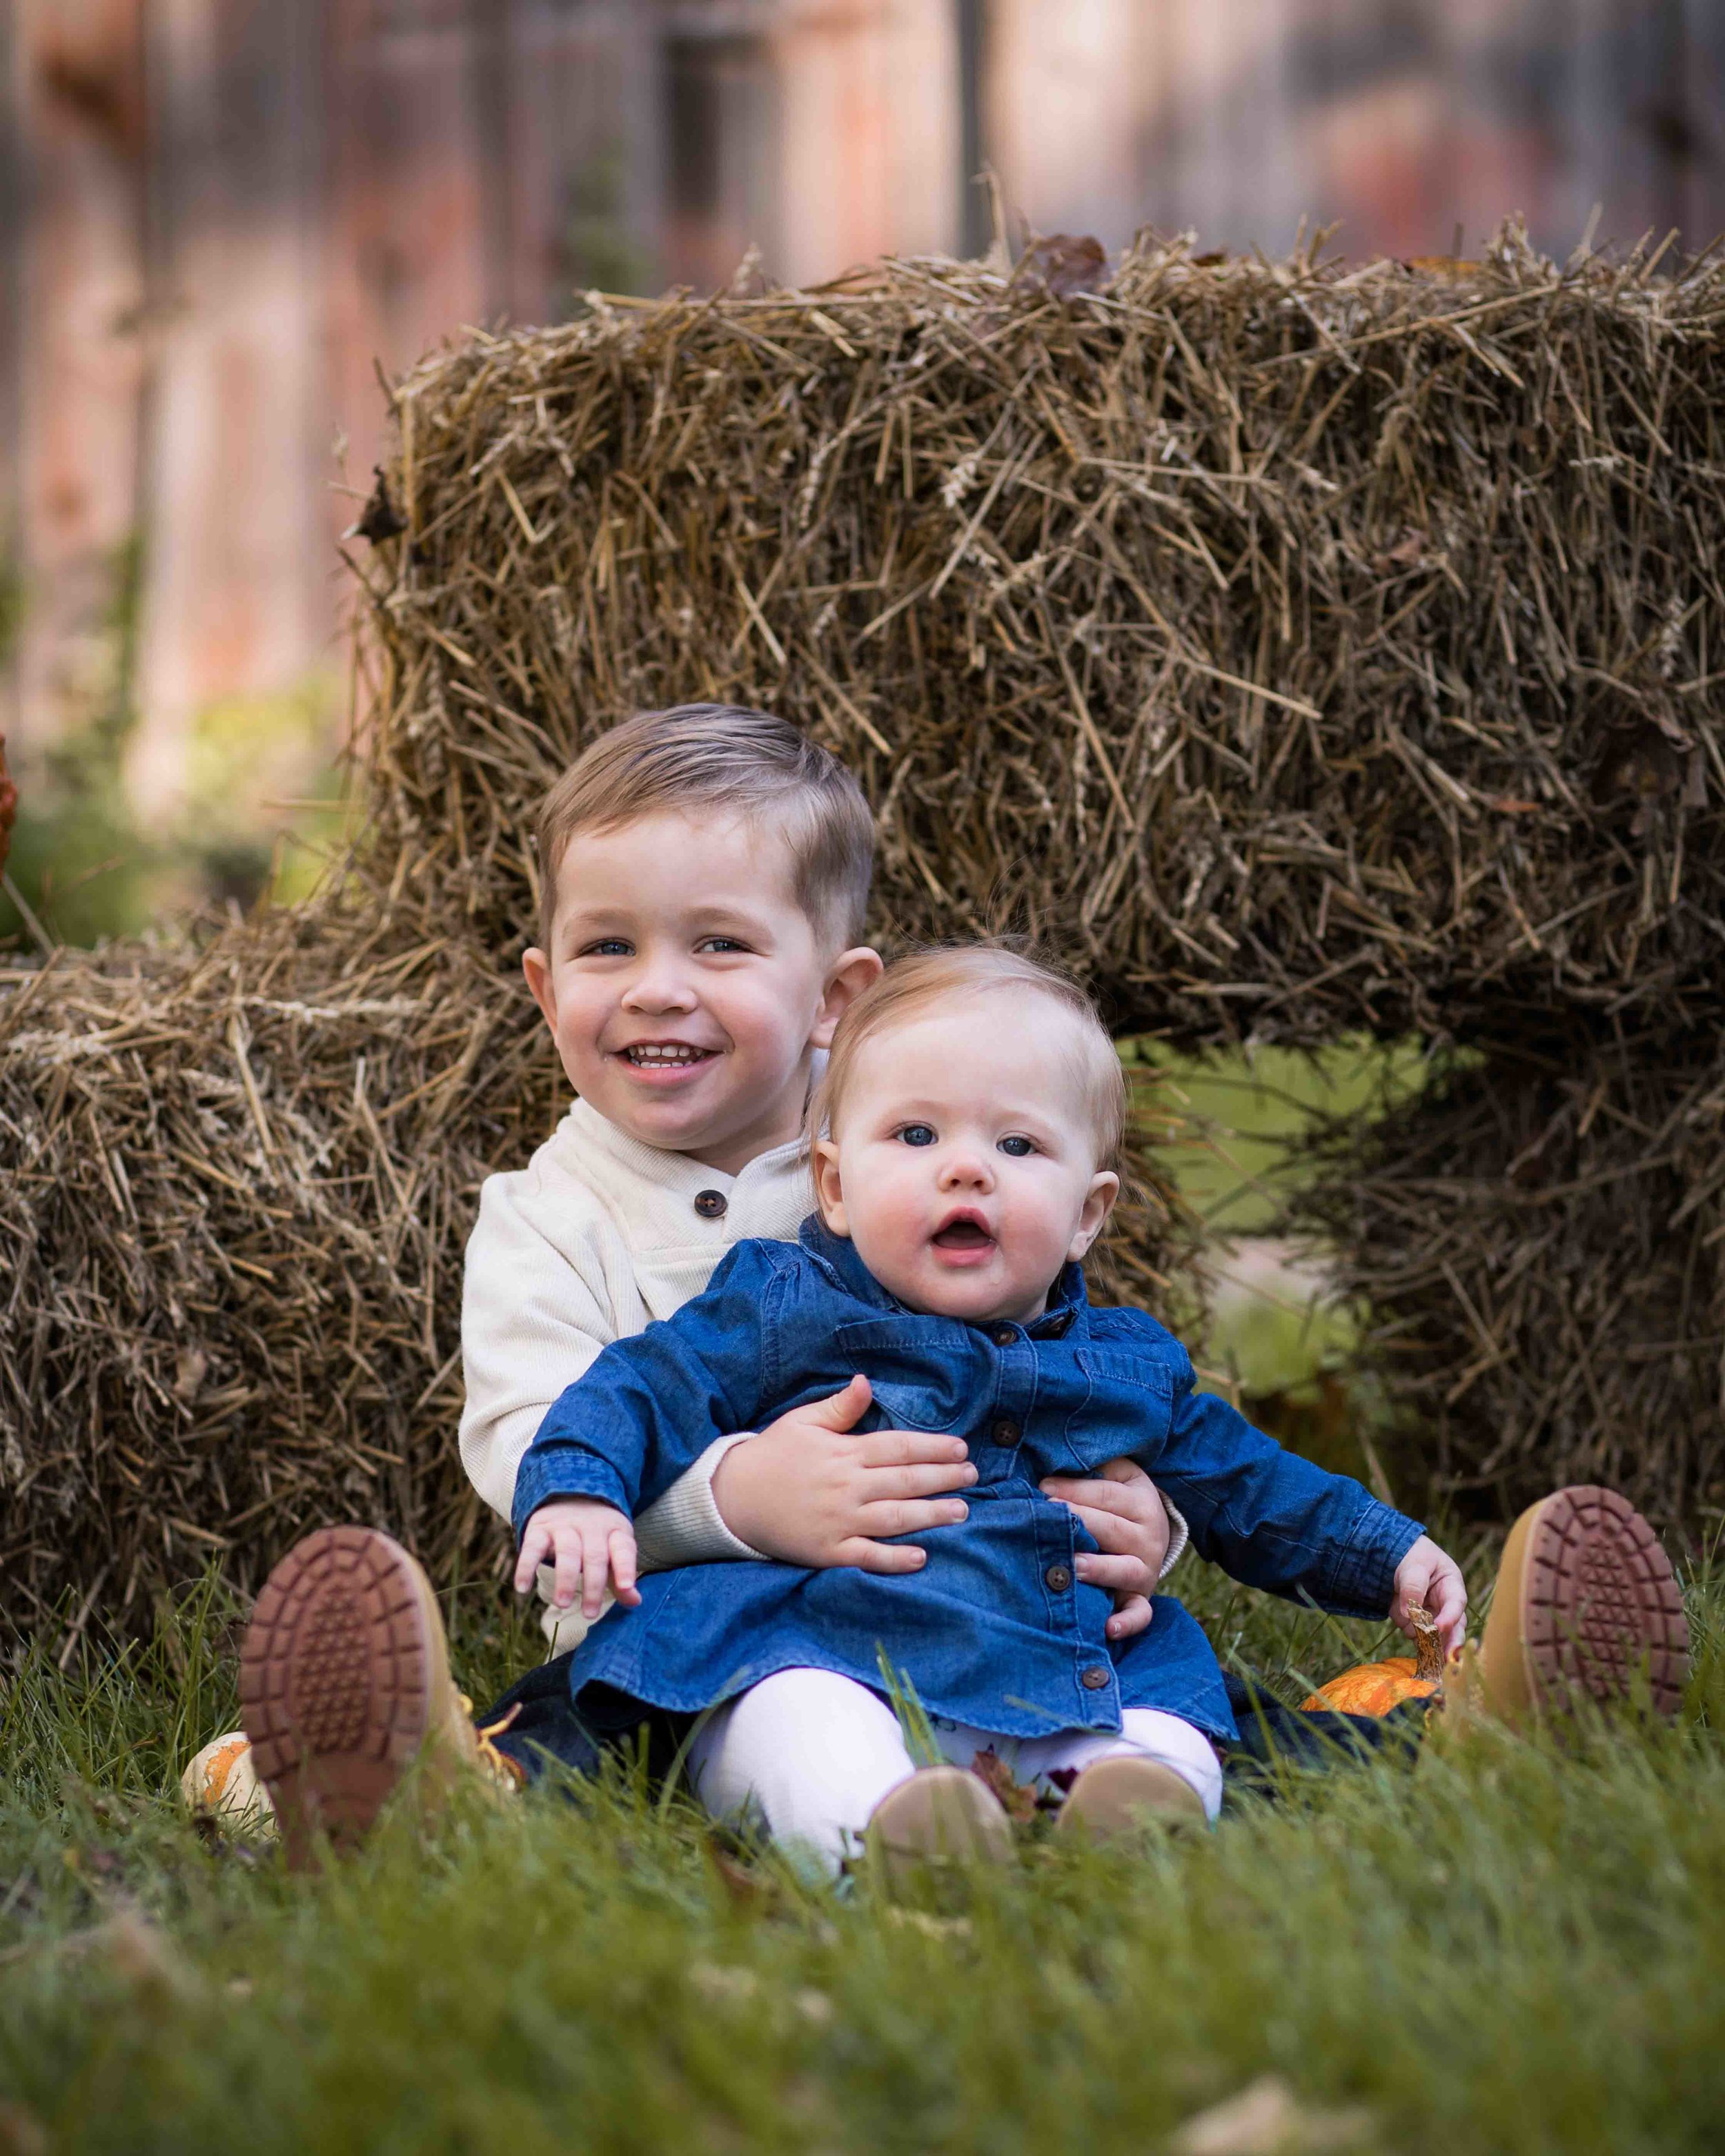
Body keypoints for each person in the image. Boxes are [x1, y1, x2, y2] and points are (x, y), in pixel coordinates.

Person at [189, 707, 1181, 1859]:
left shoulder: (915, 1154)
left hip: (975, 1613)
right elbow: (530, 1444)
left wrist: (1145, 1512)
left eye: (719, 945)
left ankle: (1111, 1798)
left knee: (1180, 1706)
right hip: (680, 1644)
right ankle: (424, 1787)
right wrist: (738, 1503)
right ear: (545, 985)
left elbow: (1068, 1356)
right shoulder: (547, 1220)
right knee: (579, 1739)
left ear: (831, 999)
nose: (659, 989)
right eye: (608, 948)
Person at [506, 942, 1475, 1880]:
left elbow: (1253, 1484)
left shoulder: (1126, 1364)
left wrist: (1385, 1552)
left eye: (1017, 1144)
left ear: (1087, 1213)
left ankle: (1125, 1814)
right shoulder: (786, 1303)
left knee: (1169, 1726)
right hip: (830, 1645)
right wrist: (581, 1488)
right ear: (835, 1185)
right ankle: (884, 1833)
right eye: (917, 1136)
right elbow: (643, 1382)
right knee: (785, 1716)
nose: (968, 1169)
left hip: (1064, 1671)